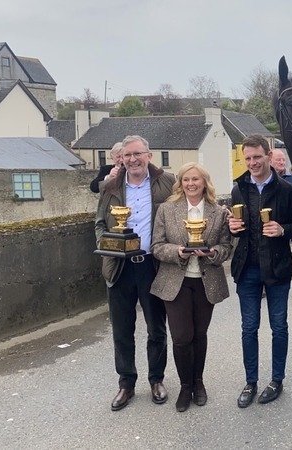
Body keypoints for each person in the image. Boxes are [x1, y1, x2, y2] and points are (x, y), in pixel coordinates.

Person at [95, 135, 176, 411]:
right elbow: (98, 223)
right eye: (127, 155)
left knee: (156, 327)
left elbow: (186, 209)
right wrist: (104, 246)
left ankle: (156, 379)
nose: (132, 159)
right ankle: (126, 383)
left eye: (137, 154)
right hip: (119, 265)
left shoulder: (167, 182)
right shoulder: (111, 186)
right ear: (121, 159)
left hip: (154, 264)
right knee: (122, 329)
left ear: (149, 156)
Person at [228, 134, 292, 408]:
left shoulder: (287, 190)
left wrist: (283, 230)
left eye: (257, 157)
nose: (252, 163)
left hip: (277, 267)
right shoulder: (239, 189)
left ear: (269, 157)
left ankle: (276, 380)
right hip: (247, 267)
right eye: (247, 158)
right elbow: (234, 227)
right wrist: (231, 228)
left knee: (278, 326)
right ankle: (251, 381)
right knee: (249, 327)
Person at [150, 162, 232, 412]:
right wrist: (178, 252)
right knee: (181, 337)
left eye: (196, 179)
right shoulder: (166, 209)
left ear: (204, 182)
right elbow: (156, 246)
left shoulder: (218, 212)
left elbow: (226, 247)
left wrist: (212, 252)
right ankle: (186, 386)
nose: (191, 184)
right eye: (186, 180)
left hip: (206, 281)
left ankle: (199, 382)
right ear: (180, 183)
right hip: (175, 281)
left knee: (199, 335)